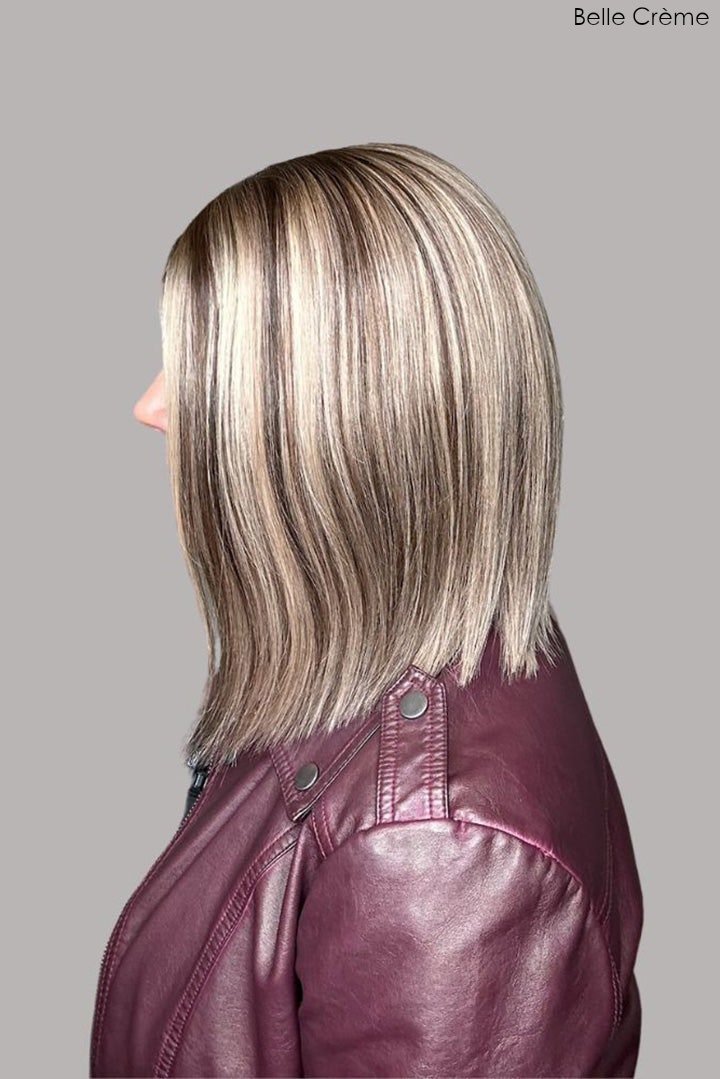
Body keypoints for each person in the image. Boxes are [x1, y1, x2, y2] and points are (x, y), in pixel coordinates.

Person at [89, 142, 643, 1078]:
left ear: (331, 419)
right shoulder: (384, 665)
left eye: (203, 365)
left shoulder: (437, 849)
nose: (153, 405)